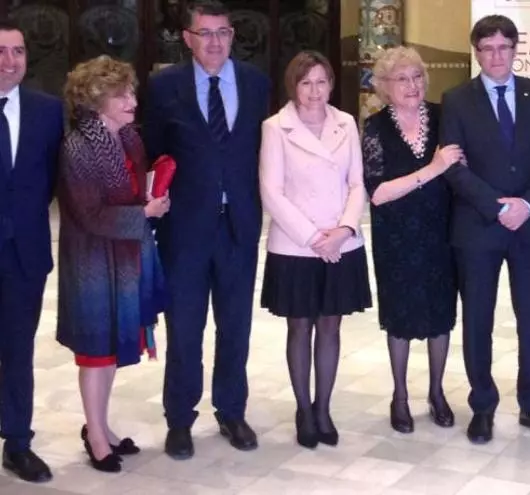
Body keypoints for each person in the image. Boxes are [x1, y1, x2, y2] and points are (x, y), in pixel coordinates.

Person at [142, 0, 271, 459]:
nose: (215, 42)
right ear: (188, 38)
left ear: (232, 35)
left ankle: (231, 411)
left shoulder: (256, 82)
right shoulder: (164, 86)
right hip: (184, 230)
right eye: (205, 33)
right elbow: (153, 153)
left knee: (235, 325)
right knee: (185, 328)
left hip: (239, 225)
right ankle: (180, 419)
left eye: (223, 32)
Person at [441, 14, 530, 444]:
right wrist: (498, 208)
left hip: (528, 226)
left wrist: (527, 204)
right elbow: (453, 166)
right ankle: (483, 405)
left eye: (504, 47)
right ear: (477, 53)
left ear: (516, 49)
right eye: (488, 48)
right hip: (478, 227)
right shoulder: (456, 99)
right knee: (478, 319)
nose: (497, 56)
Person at [57, 55, 169, 473]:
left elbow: (132, 192)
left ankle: (99, 426)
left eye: (132, 92)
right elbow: (90, 215)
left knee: (109, 349)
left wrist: (151, 198)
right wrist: (144, 213)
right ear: (95, 99)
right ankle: (96, 437)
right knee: (95, 352)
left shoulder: (128, 139)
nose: (132, 102)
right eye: (121, 95)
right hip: (91, 263)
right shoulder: (77, 148)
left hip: (123, 258)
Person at [259, 50, 371, 449]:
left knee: (330, 326)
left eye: (322, 82)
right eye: (306, 82)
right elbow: (271, 192)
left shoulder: (346, 123)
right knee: (300, 326)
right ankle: (303, 410)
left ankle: (323, 408)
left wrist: (343, 229)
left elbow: (357, 183)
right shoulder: (276, 127)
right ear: (293, 85)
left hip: (341, 242)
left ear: (331, 85)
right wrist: (313, 238)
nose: (314, 91)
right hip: (296, 245)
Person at [362, 46, 460, 433]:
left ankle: (437, 392)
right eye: (401, 78)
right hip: (396, 236)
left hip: (441, 231)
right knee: (400, 317)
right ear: (384, 86)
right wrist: (432, 169)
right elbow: (377, 192)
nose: (412, 84)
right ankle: (400, 396)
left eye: (417, 76)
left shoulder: (444, 116)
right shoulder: (375, 127)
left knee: (441, 315)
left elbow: (461, 165)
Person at [0, 19, 64, 484]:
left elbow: (56, 180)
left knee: (18, 352)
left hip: (25, 253)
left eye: (18, 51)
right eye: (0, 51)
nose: (10, 61)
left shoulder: (48, 110)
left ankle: (17, 442)